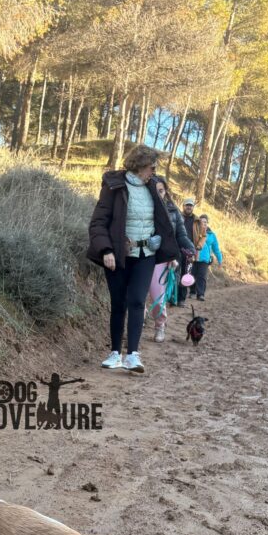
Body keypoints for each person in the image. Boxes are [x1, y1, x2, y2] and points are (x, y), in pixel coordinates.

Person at [87, 145, 180, 372]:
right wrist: (106, 250)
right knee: (118, 303)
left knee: (137, 301)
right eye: (152, 166)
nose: (154, 170)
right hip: (119, 255)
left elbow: (165, 217)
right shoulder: (114, 186)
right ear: (139, 165)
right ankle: (115, 353)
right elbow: (98, 222)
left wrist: (162, 240)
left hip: (145, 254)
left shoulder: (153, 188)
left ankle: (133, 356)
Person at [146, 177, 195, 341]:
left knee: (158, 298)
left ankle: (160, 325)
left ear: (165, 191)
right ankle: (136, 327)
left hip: (162, 258)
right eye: (155, 190)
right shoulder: (143, 207)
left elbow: (180, 235)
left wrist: (190, 248)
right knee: (135, 297)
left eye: (161, 190)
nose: (158, 194)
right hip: (140, 255)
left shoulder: (173, 211)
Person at [191, 214, 223, 302]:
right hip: (193, 257)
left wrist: (220, 260)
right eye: (201, 222)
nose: (203, 224)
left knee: (201, 276)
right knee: (192, 274)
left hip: (205, 259)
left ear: (207, 223)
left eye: (205, 222)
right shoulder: (194, 231)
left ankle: (200, 294)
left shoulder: (211, 235)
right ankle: (192, 291)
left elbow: (216, 249)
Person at [179, 197, 196, 304]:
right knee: (175, 273)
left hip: (190, 253)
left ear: (193, 207)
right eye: (187, 205)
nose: (189, 207)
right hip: (177, 250)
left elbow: (203, 235)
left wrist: (197, 247)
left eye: (191, 205)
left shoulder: (197, 220)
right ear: (183, 206)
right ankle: (173, 298)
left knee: (186, 275)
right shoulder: (178, 217)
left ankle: (181, 299)